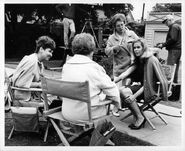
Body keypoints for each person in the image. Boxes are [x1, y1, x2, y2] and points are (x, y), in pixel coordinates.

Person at [61, 33, 121, 122]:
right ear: (92, 49)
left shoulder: (66, 66)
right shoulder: (94, 67)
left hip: (67, 113)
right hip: (87, 115)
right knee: (107, 99)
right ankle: (100, 134)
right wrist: (117, 105)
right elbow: (113, 92)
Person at [118, 38, 168, 130]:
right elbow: (126, 73)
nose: (136, 49)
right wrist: (111, 82)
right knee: (121, 90)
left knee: (126, 93)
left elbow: (149, 84)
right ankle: (138, 114)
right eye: (134, 48)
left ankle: (139, 117)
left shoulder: (151, 60)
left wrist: (134, 96)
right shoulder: (139, 60)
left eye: (138, 47)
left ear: (143, 48)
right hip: (143, 87)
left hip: (152, 90)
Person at [11, 36, 56, 107]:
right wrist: (39, 85)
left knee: (56, 96)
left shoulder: (37, 60)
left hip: (30, 95)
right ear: (41, 49)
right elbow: (21, 84)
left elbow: (38, 78)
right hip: (24, 98)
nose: (51, 55)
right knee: (56, 101)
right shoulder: (32, 62)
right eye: (49, 51)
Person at [105, 13, 139, 87]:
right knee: (119, 92)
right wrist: (114, 48)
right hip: (119, 70)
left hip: (132, 68)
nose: (121, 27)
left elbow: (141, 44)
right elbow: (107, 51)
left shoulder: (131, 34)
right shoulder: (112, 38)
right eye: (118, 26)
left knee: (130, 92)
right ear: (114, 27)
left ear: (124, 24)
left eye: (122, 24)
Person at [158, 14, 181, 83]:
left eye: (166, 22)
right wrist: (163, 44)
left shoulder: (173, 26)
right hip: (178, 49)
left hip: (174, 50)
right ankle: (174, 83)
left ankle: (168, 84)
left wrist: (163, 44)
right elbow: (174, 39)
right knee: (175, 67)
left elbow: (173, 39)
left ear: (170, 20)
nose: (165, 24)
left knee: (170, 67)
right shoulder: (177, 26)